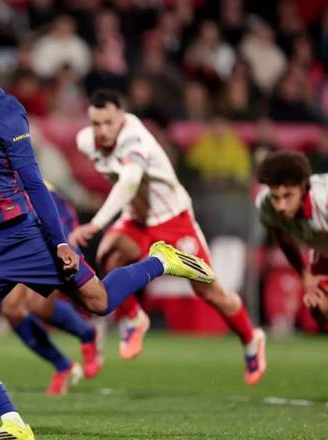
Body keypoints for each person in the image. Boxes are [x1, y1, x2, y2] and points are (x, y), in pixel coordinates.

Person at [0, 29, 214, 440]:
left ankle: (161, 260)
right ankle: (14, 424)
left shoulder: (6, 115)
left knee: (99, 302)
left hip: (22, 236)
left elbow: (35, 184)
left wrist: (59, 241)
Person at [69, 89, 266, 385]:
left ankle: (251, 339)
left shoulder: (135, 140)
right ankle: (134, 317)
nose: (103, 130)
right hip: (137, 219)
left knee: (211, 293)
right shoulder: (86, 141)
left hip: (174, 220)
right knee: (108, 254)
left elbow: (130, 182)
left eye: (109, 122)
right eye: (97, 123)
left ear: (122, 117)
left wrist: (96, 224)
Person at [1, 185, 101, 396]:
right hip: (22, 232)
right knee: (13, 308)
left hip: (51, 224)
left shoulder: (2, 181)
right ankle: (64, 365)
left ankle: (87, 334)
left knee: (36, 305)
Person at [255, 151, 328, 331]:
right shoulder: (265, 205)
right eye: (276, 197)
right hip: (322, 249)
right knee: (319, 308)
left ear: (303, 189)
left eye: (288, 196)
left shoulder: (324, 201)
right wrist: (305, 275)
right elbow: (284, 238)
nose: (281, 206)